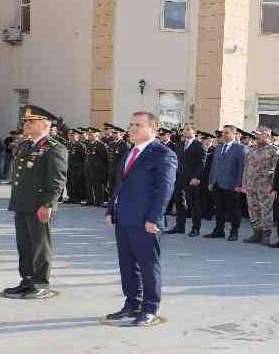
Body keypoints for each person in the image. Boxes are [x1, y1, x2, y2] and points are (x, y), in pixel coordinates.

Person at [104, 111, 177, 326]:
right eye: (131, 124)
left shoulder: (163, 154)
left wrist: (154, 219)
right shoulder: (130, 151)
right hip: (124, 218)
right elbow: (119, 184)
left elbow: (165, 190)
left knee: (148, 265)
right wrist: (111, 210)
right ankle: (132, 304)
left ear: (153, 130)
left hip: (146, 221)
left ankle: (149, 308)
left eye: (138, 125)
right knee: (127, 265)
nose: (132, 129)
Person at [3, 108, 68, 299]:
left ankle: (40, 282)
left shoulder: (54, 148)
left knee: (40, 244)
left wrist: (48, 204)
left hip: (39, 204)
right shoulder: (25, 145)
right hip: (22, 203)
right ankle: (27, 280)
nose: (26, 125)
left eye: (31, 122)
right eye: (26, 122)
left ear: (45, 125)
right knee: (24, 245)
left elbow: (57, 180)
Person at [206, 125, 246, 241]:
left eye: (227, 133)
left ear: (234, 134)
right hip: (218, 183)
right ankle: (219, 230)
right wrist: (211, 181)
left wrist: (239, 184)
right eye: (223, 132)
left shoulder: (240, 148)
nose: (224, 134)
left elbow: (241, 168)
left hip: (232, 184)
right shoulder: (218, 147)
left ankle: (234, 232)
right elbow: (214, 166)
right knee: (219, 209)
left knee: (233, 210)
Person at [167, 122, 206, 237]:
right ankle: (180, 226)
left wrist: (196, 177)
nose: (185, 131)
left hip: (192, 178)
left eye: (188, 129)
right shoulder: (179, 144)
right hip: (179, 178)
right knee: (179, 202)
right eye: (184, 129)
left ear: (194, 132)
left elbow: (202, 163)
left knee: (193, 204)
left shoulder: (199, 145)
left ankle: (195, 228)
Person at [242, 126, 279, 244]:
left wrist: (273, 186)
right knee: (253, 209)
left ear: (267, 136)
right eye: (256, 134)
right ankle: (256, 232)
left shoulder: (274, 150)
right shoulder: (251, 149)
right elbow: (246, 168)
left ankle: (266, 234)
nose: (256, 136)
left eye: (259, 134)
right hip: (251, 184)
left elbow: (277, 170)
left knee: (266, 210)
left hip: (265, 185)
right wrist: (244, 184)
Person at [84, 128, 109, 207]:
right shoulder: (88, 144)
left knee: (98, 185)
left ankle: (99, 201)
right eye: (89, 134)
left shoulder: (101, 145)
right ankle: (90, 200)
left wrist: (101, 168)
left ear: (97, 135)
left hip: (97, 169)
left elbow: (104, 158)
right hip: (88, 168)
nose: (89, 136)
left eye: (91, 135)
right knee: (89, 185)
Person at [66, 129, 87, 204]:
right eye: (70, 135)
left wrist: (81, 169)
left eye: (72, 135)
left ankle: (77, 198)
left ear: (77, 135)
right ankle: (71, 197)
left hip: (77, 168)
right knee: (69, 183)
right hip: (69, 167)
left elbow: (84, 158)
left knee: (77, 184)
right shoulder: (68, 144)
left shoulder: (80, 145)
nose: (71, 136)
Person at [199, 131, 216, 220]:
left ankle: (208, 214)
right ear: (203, 140)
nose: (210, 142)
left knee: (209, 196)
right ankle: (201, 212)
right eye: (208, 140)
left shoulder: (214, 150)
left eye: (211, 140)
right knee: (200, 195)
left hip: (209, 176)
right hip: (200, 176)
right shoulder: (199, 149)